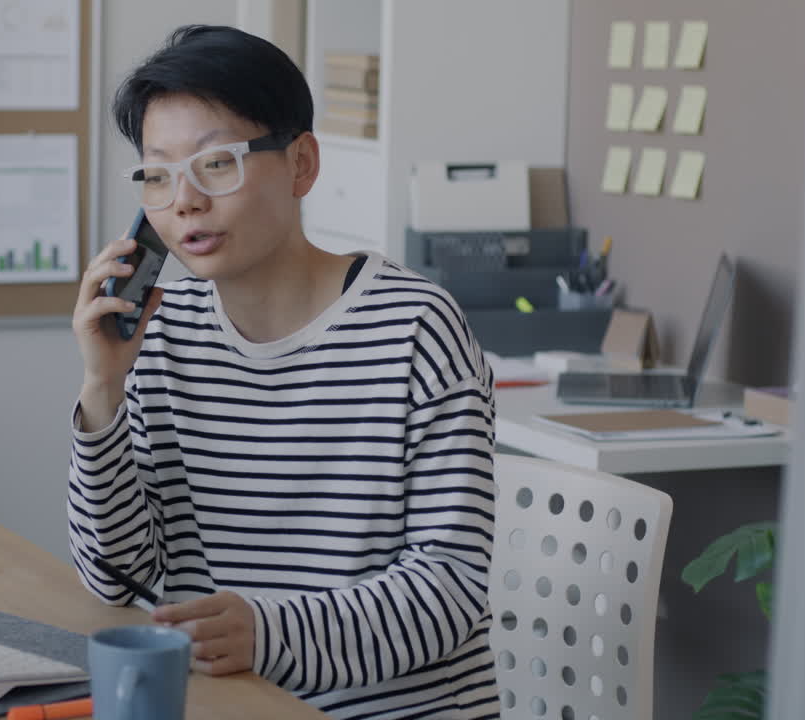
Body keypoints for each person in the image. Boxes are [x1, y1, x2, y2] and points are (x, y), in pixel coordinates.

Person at [68, 24, 497, 719]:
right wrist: (102, 393)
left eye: (216, 165)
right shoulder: (163, 330)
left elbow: (448, 591)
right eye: (157, 174)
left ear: (301, 164)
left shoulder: (416, 328)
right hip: (230, 705)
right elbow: (117, 577)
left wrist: (269, 633)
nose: (184, 203)